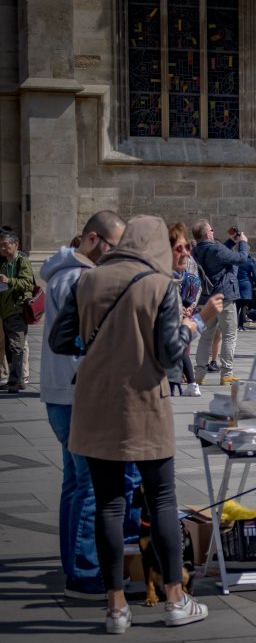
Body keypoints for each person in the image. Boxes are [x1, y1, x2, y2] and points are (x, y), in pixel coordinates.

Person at [49, 215, 222, 634]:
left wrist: (100, 347)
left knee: (108, 504)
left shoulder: (88, 280)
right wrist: (194, 323)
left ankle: (115, 608)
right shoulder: (159, 285)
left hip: (95, 402)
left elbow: (60, 339)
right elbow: (169, 353)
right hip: (144, 401)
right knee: (161, 500)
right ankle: (175, 599)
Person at [40, 211, 126, 600]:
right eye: (113, 247)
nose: (115, 255)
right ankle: (84, 571)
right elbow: (82, 343)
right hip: (77, 397)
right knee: (90, 486)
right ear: (93, 239)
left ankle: (73, 563)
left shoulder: (61, 275)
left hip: (60, 394)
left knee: (74, 483)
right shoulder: (79, 279)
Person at [191, 220, 248, 385]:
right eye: (212, 230)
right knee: (229, 335)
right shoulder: (216, 249)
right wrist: (243, 243)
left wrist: (231, 241)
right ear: (207, 234)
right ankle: (226, 373)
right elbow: (241, 258)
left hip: (206, 299)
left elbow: (219, 254)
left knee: (206, 336)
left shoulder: (196, 250)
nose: (213, 232)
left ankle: (199, 374)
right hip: (224, 298)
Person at [167, 223, 200, 396]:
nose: (186, 252)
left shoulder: (171, 281)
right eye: (180, 248)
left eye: (187, 247)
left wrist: (190, 307)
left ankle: (188, 380)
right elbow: (171, 342)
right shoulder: (158, 286)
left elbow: (196, 283)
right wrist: (201, 320)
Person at [0, 229, 33, 393]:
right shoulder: (4, 265)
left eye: (5, 245)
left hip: (17, 310)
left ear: (16, 244)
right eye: (0, 245)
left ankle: (16, 381)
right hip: (6, 311)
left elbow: (28, 283)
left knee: (16, 347)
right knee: (10, 347)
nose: (2, 248)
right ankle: (15, 380)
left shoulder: (22, 261)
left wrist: (9, 280)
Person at [236, 250, 256, 331]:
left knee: (236, 307)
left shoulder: (235, 260)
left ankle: (235, 326)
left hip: (236, 285)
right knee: (243, 306)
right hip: (246, 286)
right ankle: (240, 325)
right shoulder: (249, 261)